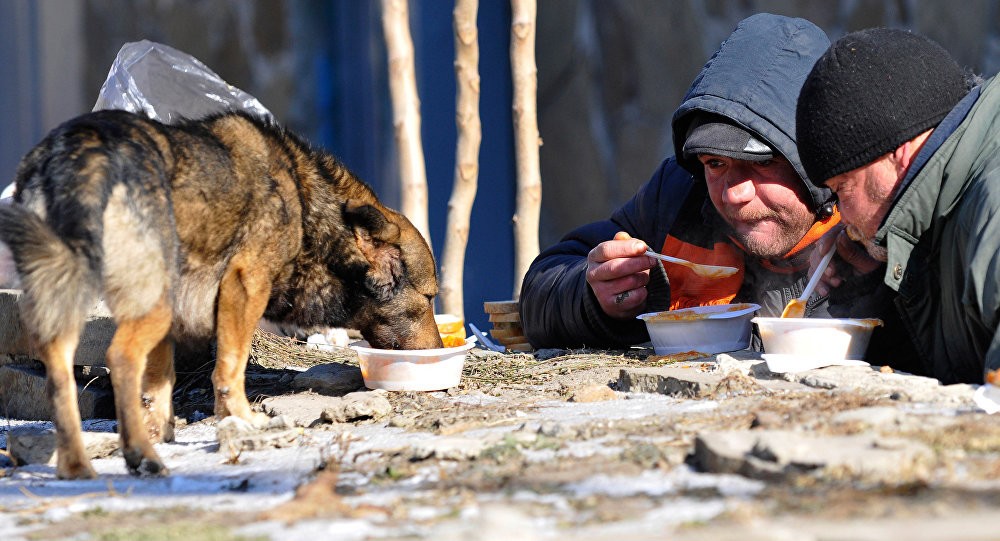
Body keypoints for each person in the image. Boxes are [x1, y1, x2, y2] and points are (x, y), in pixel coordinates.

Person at [519, 13, 840, 349]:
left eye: (760, 163)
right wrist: (592, 295)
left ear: (814, 160)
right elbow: (540, 290)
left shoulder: (866, 224)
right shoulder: (679, 198)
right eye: (715, 163)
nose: (733, 194)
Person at [795, 27, 994, 384]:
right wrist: (883, 285)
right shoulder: (951, 202)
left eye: (842, 189)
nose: (843, 216)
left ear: (898, 152)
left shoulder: (991, 216)